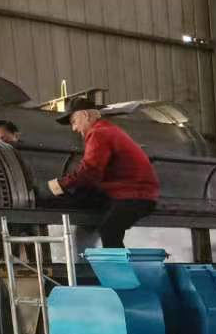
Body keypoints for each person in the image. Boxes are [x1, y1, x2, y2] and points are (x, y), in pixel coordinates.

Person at [45, 103, 159, 248]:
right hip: (133, 192)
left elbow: (90, 171)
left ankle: (116, 264)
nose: (74, 128)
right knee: (84, 196)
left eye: (74, 122)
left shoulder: (98, 133)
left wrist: (59, 185)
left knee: (109, 230)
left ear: (85, 115)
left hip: (134, 195)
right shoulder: (109, 129)